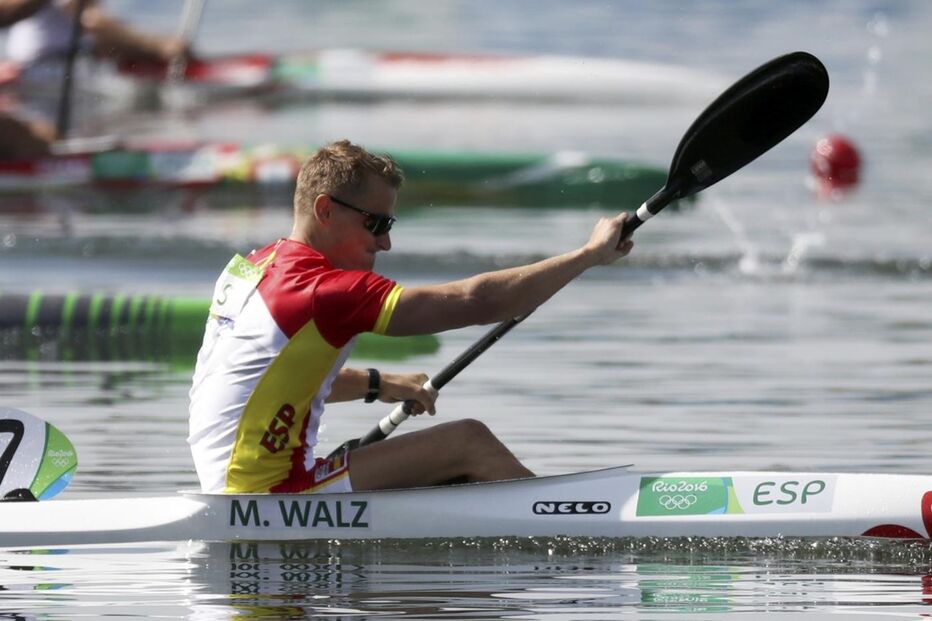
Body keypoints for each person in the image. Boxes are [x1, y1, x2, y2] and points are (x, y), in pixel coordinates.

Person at [188, 140, 635, 494]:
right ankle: (573, 523)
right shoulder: (325, 291)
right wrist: (587, 255)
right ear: (325, 210)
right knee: (468, 442)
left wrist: (378, 384)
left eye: (390, 226)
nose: (385, 245)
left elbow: (261, 375)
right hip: (271, 493)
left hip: (231, 481)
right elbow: (476, 301)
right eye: (376, 225)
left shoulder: (252, 267)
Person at [0, 0, 191, 159]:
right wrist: (159, 46)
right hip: (50, 72)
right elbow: (94, 22)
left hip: (47, 71)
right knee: (23, 139)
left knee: (40, 135)